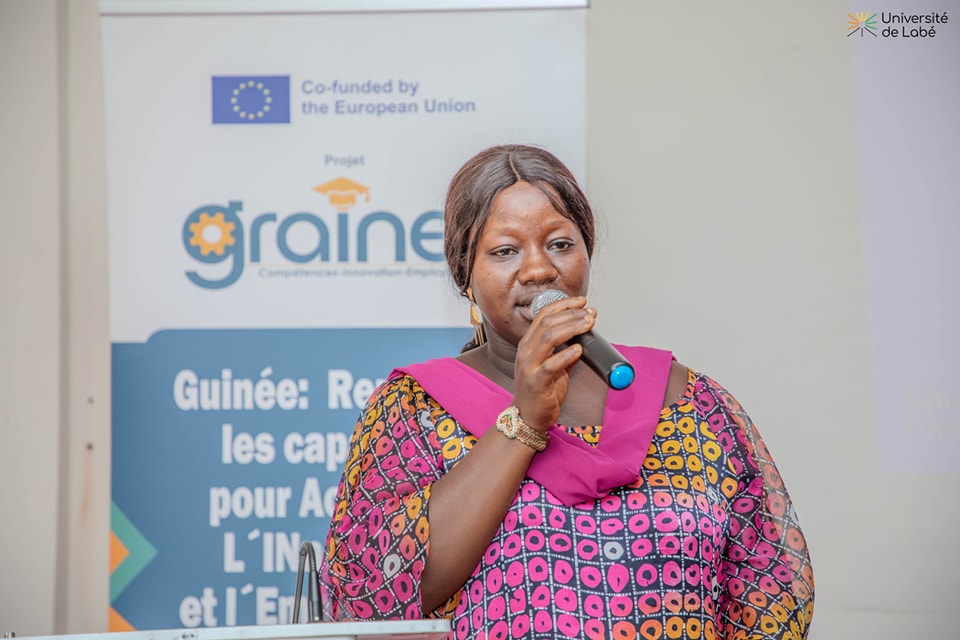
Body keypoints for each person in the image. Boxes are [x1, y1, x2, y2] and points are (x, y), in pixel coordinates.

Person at [320, 144, 814, 639]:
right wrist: (525, 421)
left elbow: (771, 590)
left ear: (586, 253)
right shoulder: (415, 409)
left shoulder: (692, 401)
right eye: (505, 251)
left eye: (559, 244)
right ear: (465, 274)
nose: (539, 269)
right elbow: (372, 595)